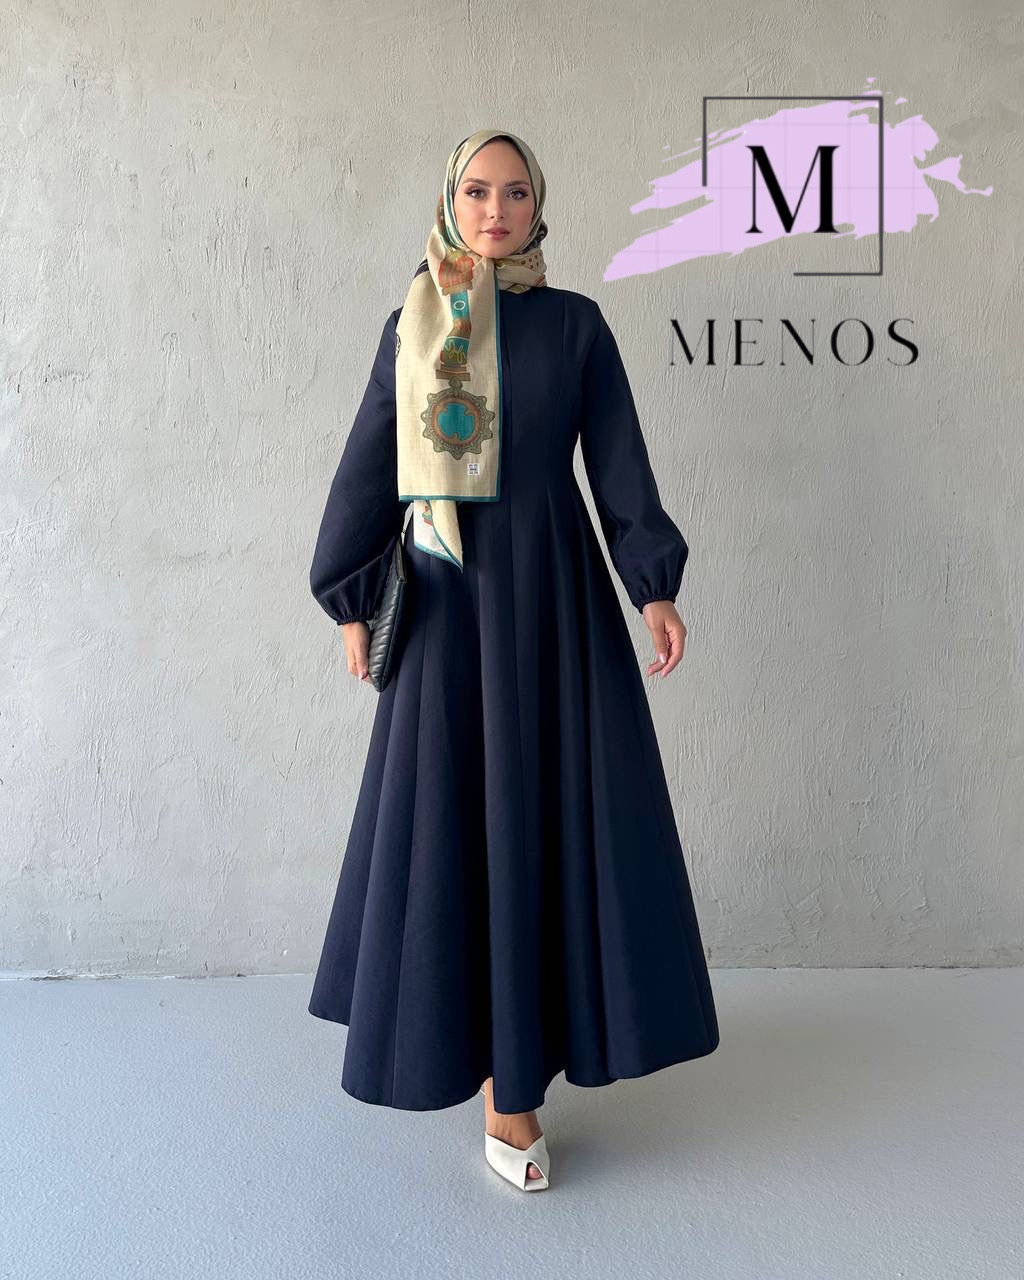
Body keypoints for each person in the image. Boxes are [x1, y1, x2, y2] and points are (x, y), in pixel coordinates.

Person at [307, 128, 720, 1191]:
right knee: (457, 821)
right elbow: (372, 464)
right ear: (451, 201)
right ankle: (480, 1067)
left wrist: (653, 583)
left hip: (551, 598)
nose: (496, 210)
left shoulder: (575, 326)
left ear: (540, 206)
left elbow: (618, 462)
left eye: (517, 192)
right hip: (445, 602)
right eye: (478, 191)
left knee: (545, 820)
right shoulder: (414, 323)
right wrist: (349, 596)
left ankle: (519, 1087)